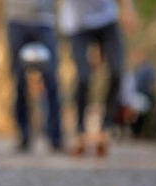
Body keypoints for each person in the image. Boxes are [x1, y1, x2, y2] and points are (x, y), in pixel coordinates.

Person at [59, 0, 138, 157]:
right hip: (78, 24)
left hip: (107, 20)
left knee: (117, 72)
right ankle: (80, 131)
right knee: (83, 77)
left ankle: (105, 128)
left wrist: (128, 10)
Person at [5, 0, 63, 153]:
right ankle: (23, 135)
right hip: (16, 19)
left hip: (45, 19)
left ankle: (56, 137)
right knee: (19, 80)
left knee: (51, 78)